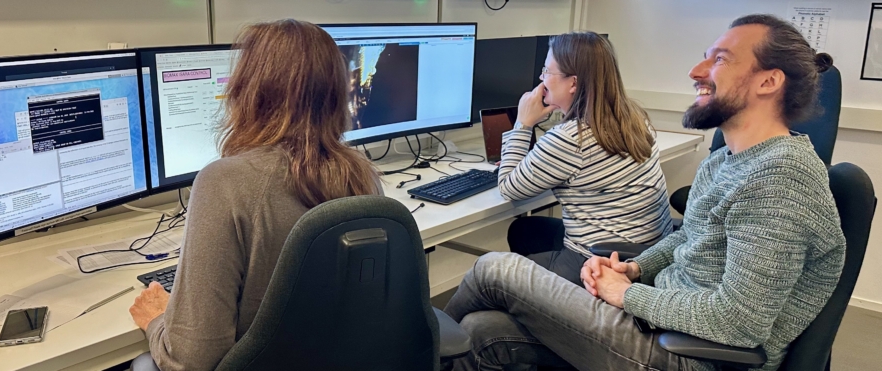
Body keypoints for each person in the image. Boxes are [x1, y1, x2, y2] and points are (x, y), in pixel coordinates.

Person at [444, 14, 844, 371]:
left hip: (696, 355)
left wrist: (628, 294)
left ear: (769, 81)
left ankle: (411, 355)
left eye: (720, 59)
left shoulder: (781, 179)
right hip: (667, 318)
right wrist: (635, 269)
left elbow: (739, 322)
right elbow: (688, 239)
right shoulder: (727, 160)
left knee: (495, 268)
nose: (696, 70)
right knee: (481, 331)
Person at [127, 19, 380, 371]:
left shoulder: (223, 183)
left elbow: (192, 361)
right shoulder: (361, 175)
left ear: (248, 92)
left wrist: (157, 319)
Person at [499, 31, 672, 286]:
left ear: (573, 84)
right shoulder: (633, 117)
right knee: (523, 230)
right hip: (645, 252)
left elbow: (508, 188)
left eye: (547, 70)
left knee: (493, 275)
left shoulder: (570, 138)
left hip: (595, 261)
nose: (541, 78)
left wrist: (523, 123)